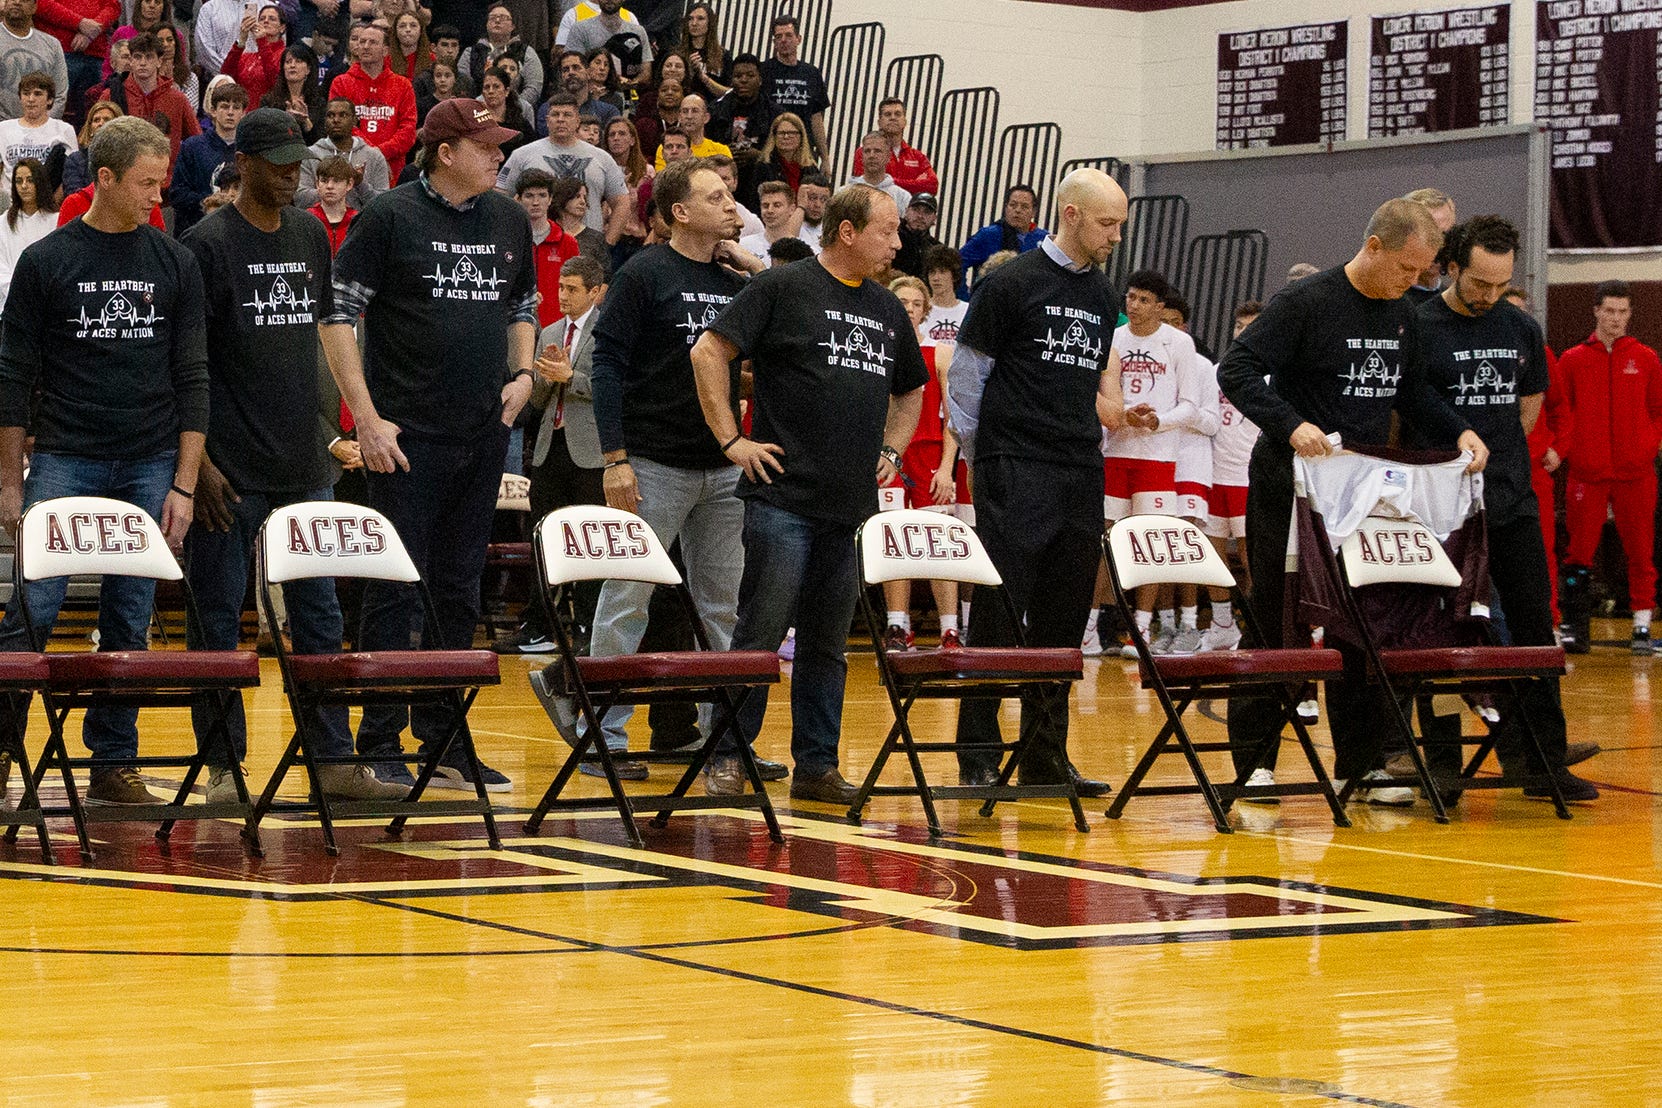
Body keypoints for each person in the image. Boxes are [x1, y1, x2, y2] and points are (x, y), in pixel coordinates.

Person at [1216, 197, 1488, 800]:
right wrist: (1290, 424)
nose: (1415, 283)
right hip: (1292, 484)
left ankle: (1360, 764)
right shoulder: (1304, 303)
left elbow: (1411, 394)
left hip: (1365, 487)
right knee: (1276, 613)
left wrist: (1459, 430)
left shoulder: (1404, 314)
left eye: (1423, 274)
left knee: (1363, 618)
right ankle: (1254, 763)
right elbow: (1234, 370)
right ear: (1374, 248)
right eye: (1406, 270)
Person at [179, 108, 408, 805]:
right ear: (242, 162)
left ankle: (333, 759)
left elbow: (323, 337)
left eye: (295, 161)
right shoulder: (204, 244)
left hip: (306, 462)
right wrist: (203, 464)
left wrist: (338, 430)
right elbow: (185, 364)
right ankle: (223, 768)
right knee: (217, 619)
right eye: (276, 161)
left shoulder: (311, 234)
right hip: (230, 469)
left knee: (319, 618)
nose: (290, 173)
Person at [318, 97, 535, 793]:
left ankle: (442, 739)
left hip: (482, 433)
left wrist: (525, 373)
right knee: (395, 588)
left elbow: (523, 304)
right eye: (487, 146)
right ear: (447, 152)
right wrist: (366, 416)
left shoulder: (506, 218)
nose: (500, 156)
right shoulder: (390, 216)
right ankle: (377, 738)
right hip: (405, 436)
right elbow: (337, 313)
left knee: (458, 587)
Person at [689, 183, 927, 803]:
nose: (897, 243)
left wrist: (893, 450)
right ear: (847, 232)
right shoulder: (782, 286)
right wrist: (730, 439)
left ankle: (817, 767)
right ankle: (728, 758)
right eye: (887, 231)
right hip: (782, 498)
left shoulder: (885, 307)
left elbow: (911, 389)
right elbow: (709, 350)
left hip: (848, 505)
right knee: (759, 635)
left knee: (828, 644)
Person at [0, 116, 205, 806]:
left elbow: (193, 378)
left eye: (162, 180)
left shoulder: (174, 260)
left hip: (150, 459)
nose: (158, 194)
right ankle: (1, 754)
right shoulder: (46, 261)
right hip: (63, 457)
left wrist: (184, 480)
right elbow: (10, 376)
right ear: (106, 178)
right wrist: (8, 480)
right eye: (146, 182)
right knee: (32, 609)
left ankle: (114, 762)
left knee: (131, 613)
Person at [558, 156, 776, 784]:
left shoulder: (740, 280)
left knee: (724, 608)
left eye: (730, 195)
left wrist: (757, 272)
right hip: (653, 463)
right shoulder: (644, 273)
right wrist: (615, 458)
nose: (730, 205)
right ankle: (604, 734)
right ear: (680, 212)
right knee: (627, 597)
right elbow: (607, 368)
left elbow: (787, 320)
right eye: (715, 197)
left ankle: (725, 739)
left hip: (726, 466)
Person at [1398, 214, 1598, 802]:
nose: (1488, 296)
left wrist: (1503, 457)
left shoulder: (1519, 326)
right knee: (1436, 630)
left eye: (1499, 284)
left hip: (1509, 501)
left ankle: (1539, 761)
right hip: (1436, 508)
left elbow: (1529, 403)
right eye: (1478, 283)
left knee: (1534, 629)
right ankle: (1440, 761)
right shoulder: (1417, 324)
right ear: (1451, 268)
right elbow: (1402, 406)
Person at [945, 168, 1127, 797]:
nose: (1116, 235)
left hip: (1079, 467)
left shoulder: (1105, 296)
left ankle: (1045, 754)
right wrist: (983, 458)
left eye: (1121, 224)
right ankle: (977, 750)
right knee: (1001, 605)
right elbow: (966, 381)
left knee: (1064, 612)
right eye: (1108, 223)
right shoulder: (1010, 283)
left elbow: (1092, 383)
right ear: (1071, 215)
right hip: (1013, 464)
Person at [496, 251, 607, 655]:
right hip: (549, 447)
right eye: (560, 287)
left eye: (572, 289)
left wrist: (572, 377)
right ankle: (540, 625)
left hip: (593, 452)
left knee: (590, 543)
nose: (562, 295)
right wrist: (544, 377)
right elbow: (539, 401)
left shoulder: (609, 329)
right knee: (545, 539)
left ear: (595, 292)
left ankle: (588, 627)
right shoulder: (549, 332)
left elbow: (619, 389)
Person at [1557, 278, 1662, 654]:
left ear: (1631, 313)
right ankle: (1573, 626)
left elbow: (1658, 412)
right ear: (1597, 310)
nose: (1616, 319)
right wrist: (1572, 451)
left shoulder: (1646, 359)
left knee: (1640, 550)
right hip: (1588, 473)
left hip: (1636, 474)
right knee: (1578, 553)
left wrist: (1647, 447)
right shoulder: (1572, 360)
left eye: (1623, 312)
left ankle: (1640, 626)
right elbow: (1562, 413)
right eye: (1610, 311)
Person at [878, 274, 961, 651]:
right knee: (894, 542)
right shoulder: (878, 349)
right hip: (889, 458)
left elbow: (955, 418)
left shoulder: (941, 353)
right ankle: (898, 625)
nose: (908, 309)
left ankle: (950, 629)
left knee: (940, 544)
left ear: (926, 309)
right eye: (902, 302)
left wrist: (946, 468)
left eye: (915, 303)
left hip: (929, 456)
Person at [1196, 300, 1262, 654]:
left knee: (1255, 560)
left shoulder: (1269, 376)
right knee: (1213, 556)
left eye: (1251, 325)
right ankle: (1223, 624)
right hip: (1214, 476)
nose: (1243, 331)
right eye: (1239, 325)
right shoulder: (1219, 371)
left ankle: (1259, 624)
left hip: (1247, 479)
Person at [1511, 286, 1572, 629]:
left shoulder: (1543, 354)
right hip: (1493, 469)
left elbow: (1562, 409)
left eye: (1522, 312)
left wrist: (1558, 449)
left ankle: (1548, 624)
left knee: (1542, 550)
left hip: (1535, 472)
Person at [496, 91, 626, 239]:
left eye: (567, 115)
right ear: (547, 120)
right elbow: (500, 196)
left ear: (578, 121)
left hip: (588, 245)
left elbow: (622, 202)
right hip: (538, 244)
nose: (561, 120)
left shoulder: (601, 157)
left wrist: (608, 242)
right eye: (555, 115)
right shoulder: (522, 155)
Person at [97, 32, 196, 175]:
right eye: (138, 57)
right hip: (125, 179)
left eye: (149, 57)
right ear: (130, 60)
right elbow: (97, 139)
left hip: (166, 182)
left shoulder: (177, 99)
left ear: (159, 61)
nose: (143, 63)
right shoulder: (110, 95)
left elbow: (196, 141)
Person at [328, 20, 415, 178]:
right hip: (350, 166)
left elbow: (408, 131)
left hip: (393, 170)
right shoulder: (341, 82)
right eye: (362, 42)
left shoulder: (403, 85)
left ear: (385, 50)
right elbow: (341, 125)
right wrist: (374, 155)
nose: (366, 46)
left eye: (373, 42)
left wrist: (380, 154)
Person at [170, 76, 244, 235]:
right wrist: (211, 201)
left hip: (237, 233)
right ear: (213, 111)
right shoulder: (192, 147)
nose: (230, 112)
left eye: (236, 107)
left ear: (243, 113)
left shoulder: (248, 152)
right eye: (224, 106)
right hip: (196, 230)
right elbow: (177, 194)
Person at [513, 166, 579, 330]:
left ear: (550, 199)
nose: (536, 202)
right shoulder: (509, 240)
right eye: (529, 196)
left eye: (542, 195)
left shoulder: (567, 243)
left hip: (556, 326)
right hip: (516, 325)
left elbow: (576, 287)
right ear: (518, 199)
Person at [295, 93, 389, 208]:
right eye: (330, 115)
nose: (336, 120)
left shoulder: (374, 156)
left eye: (343, 115)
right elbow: (299, 198)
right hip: (319, 223)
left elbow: (384, 204)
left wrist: (360, 184)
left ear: (354, 120)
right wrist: (330, 190)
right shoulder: (310, 155)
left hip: (361, 223)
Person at [32, 0, 110, 125]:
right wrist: (79, 23)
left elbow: (112, 6)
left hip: (96, 54)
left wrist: (92, 31)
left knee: (97, 115)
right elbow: (38, 4)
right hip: (58, 52)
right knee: (49, 110)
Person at [758, 14, 826, 158]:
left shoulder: (812, 73)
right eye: (778, 36)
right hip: (772, 149)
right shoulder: (763, 71)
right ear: (774, 42)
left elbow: (816, 118)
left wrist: (825, 157)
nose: (783, 40)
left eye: (788, 35)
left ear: (798, 39)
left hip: (804, 151)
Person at [0, 69, 73, 197]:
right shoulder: (3, 129)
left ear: (50, 100)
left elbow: (70, 174)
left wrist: (51, 206)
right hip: (10, 205)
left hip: (48, 204)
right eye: (26, 94)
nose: (31, 99)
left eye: (37, 94)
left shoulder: (64, 130)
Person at [960, 184, 1046, 285]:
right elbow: (957, 264)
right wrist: (965, 297)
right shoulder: (988, 235)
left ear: (1033, 212)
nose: (1017, 210)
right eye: (1013, 205)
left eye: (1024, 207)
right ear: (1006, 207)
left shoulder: (1043, 239)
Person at [851, 97, 937, 197]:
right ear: (879, 122)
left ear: (904, 121)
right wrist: (915, 183)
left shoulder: (918, 156)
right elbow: (869, 185)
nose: (893, 118)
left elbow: (933, 186)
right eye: (887, 114)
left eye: (897, 114)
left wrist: (886, 182)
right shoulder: (866, 152)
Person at [558, 0, 651, 90]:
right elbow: (571, 67)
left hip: (629, 95)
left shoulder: (638, 31)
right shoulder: (580, 29)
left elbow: (646, 74)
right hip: (590, 96)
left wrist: (628, 83)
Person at [458, 4, 541, 103]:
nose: (497, 21)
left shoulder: (526, 51)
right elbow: (463, 85)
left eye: (503, 18)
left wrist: (515, 106)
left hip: (516, 110)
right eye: (492, 17)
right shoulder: (471, 52)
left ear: (513, 26)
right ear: (486, 24)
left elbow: (534, 87)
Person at [0, 0, 68, 121]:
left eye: (24, 0)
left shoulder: (52, 44)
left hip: (42, 131)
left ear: (35, 7)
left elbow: (59, 93)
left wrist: (41, 125)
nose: (17, 2)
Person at [0, 155, 54, 307]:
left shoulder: (56, 220)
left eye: (30, 180)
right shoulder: (3, 223)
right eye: (18, 181)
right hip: (10, 303)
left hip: (47, 303)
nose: (24, 186)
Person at [220, 3, 285, 106]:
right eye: (262, 18)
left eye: (272, 19)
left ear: (282, 27)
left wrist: (262, 42)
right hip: (243, 115)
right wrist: (241, 42)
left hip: (268, 112)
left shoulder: (285, 55)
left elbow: (274, 80)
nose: (266, 21)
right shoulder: (248, 57)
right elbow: (226, 76)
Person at [707, 50, 769, 158]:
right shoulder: (714, 110)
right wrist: (722, 152)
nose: (743, 80)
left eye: (750, 76)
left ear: (760, 80)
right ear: (731, 80)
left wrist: (759, 155)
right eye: (738, 76)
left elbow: (783, 155)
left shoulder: (773, 113)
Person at [259, 43, 326, 142]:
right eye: (288, 62)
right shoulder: (269, 101)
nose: (292, 65)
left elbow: (321, 141)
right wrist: (285, 119)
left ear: (308, 69)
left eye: (298, 61)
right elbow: (264, 136)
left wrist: (305, 121)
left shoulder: (318, 102)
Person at [1402, 186, 1456, 302]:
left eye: (1444, 235)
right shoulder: (1386, 302)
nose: (1437, 247)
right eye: (1427, 236)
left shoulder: (1454, 304)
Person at [651, 90, 725, 169]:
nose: (689, 116)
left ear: (706, 118)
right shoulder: (668, 148)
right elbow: (664, 178)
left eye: (695, 111)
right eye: (685, 111)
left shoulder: (720, 150)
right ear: (679, 117)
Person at [847, 129, 908, 212]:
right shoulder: (845, 194)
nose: (871, 155)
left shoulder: (902, 197)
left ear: (888, 156)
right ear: (862, 156)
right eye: (867, 151)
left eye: (877, 151)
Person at [736, 178, 796, 262]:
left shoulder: (805, 252)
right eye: (765, 205)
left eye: (777, 205)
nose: (770, 210)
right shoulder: (743, 246)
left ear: (792, 209)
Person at [678, 1, 726, 99]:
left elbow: (729, 93)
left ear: (710, 22)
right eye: (690, 19)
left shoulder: (723, 55)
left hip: (712, 108)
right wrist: (689, 71)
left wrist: (702, 76)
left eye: (700, 19)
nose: (694, 23)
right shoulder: (677, 53)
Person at [306, 150, 353, 248]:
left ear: (349, 184)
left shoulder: (357, 221)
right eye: (324, 181)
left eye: (337, 181)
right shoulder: (306, 220)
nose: (330, 186)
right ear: (317, 184)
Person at [892, 191, 940, 279]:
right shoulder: (891, 238)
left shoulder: (936, 249)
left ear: (934, 218)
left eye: (927, 212)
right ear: (906, 211)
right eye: (916, 209)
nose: (920, 216)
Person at [921, 244, 963, 344]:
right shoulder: (921, 310)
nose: (936, 278)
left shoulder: (968, 311)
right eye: (932, 272)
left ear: (954, 275)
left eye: (942, 272)